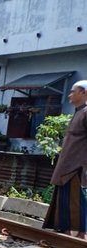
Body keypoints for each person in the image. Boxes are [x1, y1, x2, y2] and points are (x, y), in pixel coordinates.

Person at [42, 80, 87, 239]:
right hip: (67, 163)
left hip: (77, 164)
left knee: (76, 198)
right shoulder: (78, 112)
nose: (70, 94)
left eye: (73, 91)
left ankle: (82, 233)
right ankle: (66, 230)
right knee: (64, 196)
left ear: (84, 93)